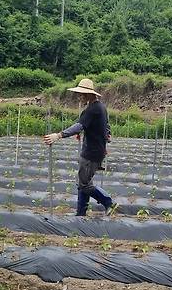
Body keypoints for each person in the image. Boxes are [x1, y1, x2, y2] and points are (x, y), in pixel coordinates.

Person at [44, 78, 119, 216]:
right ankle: (81, 214)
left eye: (81, 94)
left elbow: (79, 125)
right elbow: (106, 127)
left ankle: (108, 202)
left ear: (88, 94)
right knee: (83, 182)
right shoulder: (101, 107)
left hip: (91, 153)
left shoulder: (91, 110)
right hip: (96, 150)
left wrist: (59, 135)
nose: (79, 97)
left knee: (84, 184)